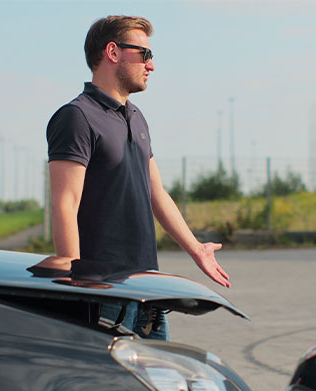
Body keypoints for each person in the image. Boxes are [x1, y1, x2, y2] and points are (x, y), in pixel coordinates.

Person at [46, 15, 230, 340]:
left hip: (147, 293)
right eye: (144, 54)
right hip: (103, 295)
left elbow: (156, 191)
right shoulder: (77, 117)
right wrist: (74, 278)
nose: (152, 65)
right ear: (113, 52)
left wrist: (195, 248)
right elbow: (65, 201)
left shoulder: (136, 117)